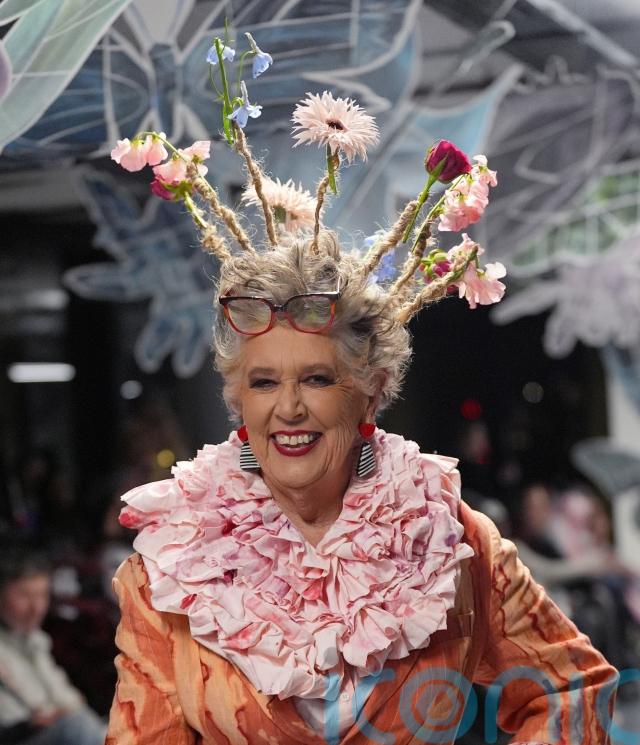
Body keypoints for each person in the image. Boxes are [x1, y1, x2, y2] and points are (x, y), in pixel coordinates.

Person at [104, 37, 618, 745]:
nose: (288, 407)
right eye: (263, 381)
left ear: (370, 393)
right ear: (237, 397)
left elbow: (570, 686)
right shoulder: (170, 563)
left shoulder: (452, 540)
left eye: (317, 378)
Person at [0, 542, 106, 745]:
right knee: (77, 727)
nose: (37, 608)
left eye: (42, 595)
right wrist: (27, 726)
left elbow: (73, 705)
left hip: (69, 730)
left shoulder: (36, 641)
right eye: (24, 595)